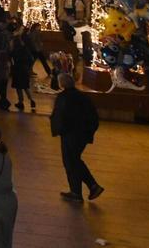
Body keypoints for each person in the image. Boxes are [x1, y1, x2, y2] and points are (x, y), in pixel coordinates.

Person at [50, 73, 104, 202]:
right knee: (75, 160)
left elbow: (60, 117)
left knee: (71, 162)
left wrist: (58, 130)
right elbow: (93, 116)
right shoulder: (83, 97)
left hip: (70, 134)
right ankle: (90, 187)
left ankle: (80, 190)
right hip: (82, 134)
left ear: (61, 84)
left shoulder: (63, 98)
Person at [9, 34, 36, 112]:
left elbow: (11, 59)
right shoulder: (25, 49)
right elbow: (31, 59)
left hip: (17, 69)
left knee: (18, 87)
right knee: (25, 87)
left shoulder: (14, 50)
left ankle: (20, 102)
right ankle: (31, 100)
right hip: (24, 69)